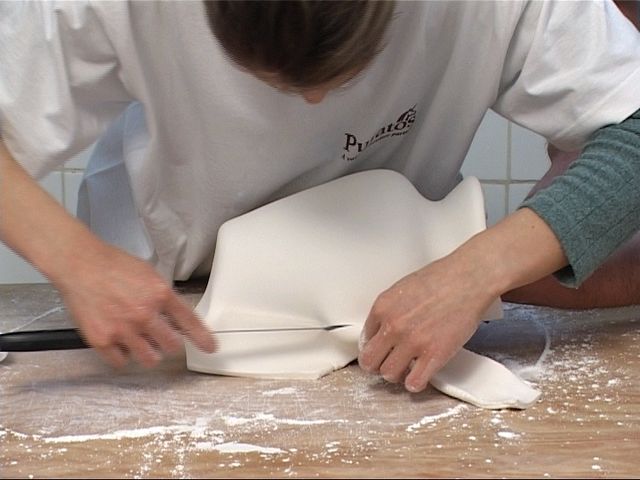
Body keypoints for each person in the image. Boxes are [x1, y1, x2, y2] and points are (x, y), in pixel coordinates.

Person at [0, 1, 639, 393]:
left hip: (395, 306)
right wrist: (75, 259)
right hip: (167, 311)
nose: (311, 103)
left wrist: (479, 269)